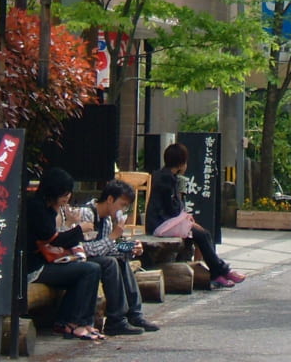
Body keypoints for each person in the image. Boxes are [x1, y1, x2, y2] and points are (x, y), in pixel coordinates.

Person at [145, 143, 245, 288]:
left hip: (166, 222)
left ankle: (218, 273)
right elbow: (173, 210)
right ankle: (222, 271)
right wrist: (186, 219)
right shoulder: (167, 180)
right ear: (181, 163)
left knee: (204, 234)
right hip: (161, 225)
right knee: (202, 235)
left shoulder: (167, 176)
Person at [25, 167, 105, 341]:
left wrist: (126, 245)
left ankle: (82, 321)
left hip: (59, 257)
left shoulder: (112, 220)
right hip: (35, 266)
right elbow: (55, 238)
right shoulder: (40, 208)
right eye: (64, 193)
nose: (67, 197)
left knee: (111, 265)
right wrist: (78, 228)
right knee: (94, 268)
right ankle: (77, 323)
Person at [73, 179, 159, 335]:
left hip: (96, 258)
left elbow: (109, 247)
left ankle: (134, 314)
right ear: (110, 199)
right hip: (79, 260)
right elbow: (85, 249)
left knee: (121, 258)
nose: (124, 210)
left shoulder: (106, 219)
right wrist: (113, 236)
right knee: (111, 262)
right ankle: (116, 319)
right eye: (123, 205)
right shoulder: (86, 214)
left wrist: (129, 248)